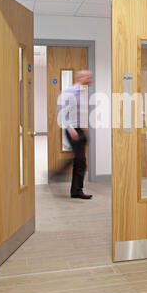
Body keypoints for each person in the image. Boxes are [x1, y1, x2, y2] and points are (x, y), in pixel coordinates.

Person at [55, 70, 93, 200]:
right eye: (87, 77)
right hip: (72, 130)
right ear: (81, 78)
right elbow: (62, 113)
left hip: (79, 129)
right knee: (81, 160)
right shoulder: (69, 92)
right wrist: (71, 129)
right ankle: (71, 185)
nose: (89, 79)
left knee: (79, 160)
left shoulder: (83, 92)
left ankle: (75, 190)